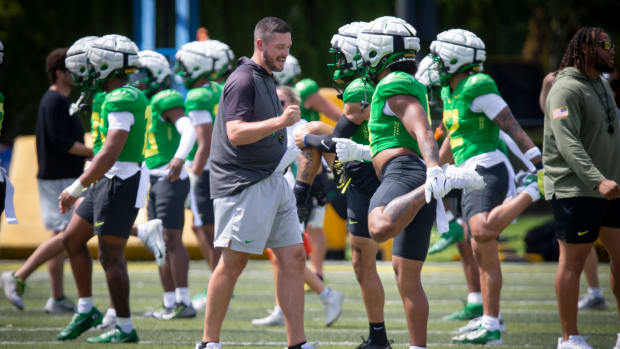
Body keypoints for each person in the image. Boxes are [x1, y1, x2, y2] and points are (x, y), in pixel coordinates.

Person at [343, 17, 485, 349]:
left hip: (408, 175)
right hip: (414, 173)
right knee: (407, 278)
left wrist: (435, 170)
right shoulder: (402, 80)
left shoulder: (392, 81)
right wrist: (363, 152)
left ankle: (437, 184)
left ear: (378, 49)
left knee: (377, 226)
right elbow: (398, 137)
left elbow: (420, 127)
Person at [197, 17, 317, 349]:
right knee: (233, 261)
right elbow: (235, 133)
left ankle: (298, 343)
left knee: (294, 256)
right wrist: (280, 121)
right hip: (244, 185)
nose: (285, 55)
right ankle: (209, 343)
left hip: (273, 180)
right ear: (260, 44)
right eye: (280, 48)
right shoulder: (242, 79)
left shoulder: (266, 77)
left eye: (288, 48)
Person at [428, 29, 544, 346]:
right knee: (480, 249)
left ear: (455, 57)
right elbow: (453, 134)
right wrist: (434, 167)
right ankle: (491, 323)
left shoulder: (478, 85)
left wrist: (537, 161)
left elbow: (510, 123)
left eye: (439, 56)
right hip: (466, 172)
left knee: (481, 231)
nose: (434, 63)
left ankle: (533, 189)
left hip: (486, 167)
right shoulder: (452, 91)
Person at [293, 21, 395, 348]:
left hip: (366, 178)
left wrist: (304, 138)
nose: (337, 62)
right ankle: (379, 336)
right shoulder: (379, 84)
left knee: (367, 260)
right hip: (370, 174)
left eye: (340, 55)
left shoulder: (360, 88)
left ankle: (304, 196)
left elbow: (333, 141)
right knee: (364, 260)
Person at [55, 34, 148, 343]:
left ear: (108, 64)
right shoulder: (112, 95)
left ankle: (124, 326)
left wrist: (77, 187)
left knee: (110, 256)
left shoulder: (124, 96)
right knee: (72, 238)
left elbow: (109, 153)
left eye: (94, 64)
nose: (90, 71)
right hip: (106, 179)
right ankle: (86, 309)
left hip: (120, 180)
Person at [543, 27, 620, 349]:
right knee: (572, 262)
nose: (611, 51)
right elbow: (567, 141)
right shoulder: (566, 87)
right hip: (576, 188)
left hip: (610, 187)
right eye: (605, 45)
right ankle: (569, 338)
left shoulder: (600, 85)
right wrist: (596, 179)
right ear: (586, 48)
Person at [251, 85, 344, 328]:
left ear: (294, 103)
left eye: (282, 102)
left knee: (286, 253)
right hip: (278, 196)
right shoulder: (273, 126)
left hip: (296, 197)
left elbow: (305, 164)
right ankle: (283, 306)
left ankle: (326, 295)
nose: (277, 106)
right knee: (279, 256)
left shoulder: (301, 126)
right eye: (274, 101)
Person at [132, 50, 197, 319]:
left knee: (171, 238)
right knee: (157, 239)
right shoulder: (142, 101)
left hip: (170, 177)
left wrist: (180, 158)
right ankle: (170, 301)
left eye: (141, 74)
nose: (136, 80)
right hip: (152, 177)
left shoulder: (164, 98)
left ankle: (184, 301)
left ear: (156, 75)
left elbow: (189, 129)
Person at [539, 69, 608, 312]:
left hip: (605, 178)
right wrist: (548, 87)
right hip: (585, 182)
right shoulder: (570, 88)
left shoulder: (601, 87)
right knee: (577, 247)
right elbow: (555, 117)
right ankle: (594, 293)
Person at [174, 39, 234, 310]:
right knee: (211, 229)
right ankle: (221, 284)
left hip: (208, 169)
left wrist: (193, 174)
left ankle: (218, 286)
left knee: (204, 229)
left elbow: (203, 142)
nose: (181, 72)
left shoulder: (199, 95)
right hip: (226, 166)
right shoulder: (222, 88)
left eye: (185, 67)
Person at [274, 54, 340, 281]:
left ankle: (317, 273)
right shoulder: (270, 94)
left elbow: (339, 118)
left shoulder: (303, 90)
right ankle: (306, 275)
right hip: (288, 161)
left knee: (313, 223)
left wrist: (331, 146)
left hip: (310, 161)